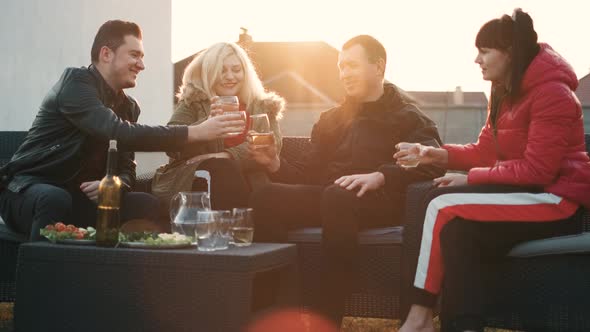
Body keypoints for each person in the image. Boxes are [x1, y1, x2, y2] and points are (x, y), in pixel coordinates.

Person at [396, 9, 590, 332]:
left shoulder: (552, 94)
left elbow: (538, 171)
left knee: (440, 203)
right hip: (525, 195)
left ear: (510, 53)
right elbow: (484, 151)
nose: (477, 60)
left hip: (557, 200)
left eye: (484, 51)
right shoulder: (502, 92)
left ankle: (418, 317)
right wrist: (433, 154)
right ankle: (463, 326)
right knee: (457, 233)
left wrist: (469, 177)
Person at [248, 35, 444, 324]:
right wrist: (275, 163)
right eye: (341, 67)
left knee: (336, 196)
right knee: (266, 196)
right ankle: (267, 311)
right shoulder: (332, 119)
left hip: (381, 203)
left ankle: (327, 319)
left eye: (351, 65)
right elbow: (308, 173)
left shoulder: (409, 117)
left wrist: (382, 175)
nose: (344, 74)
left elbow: (432, 162)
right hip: (331, 197)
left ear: (378, 67)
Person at [0, 20, 244, 241]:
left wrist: (115, 183)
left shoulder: (128, 106)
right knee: (54, 198)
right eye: (135, 55)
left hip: (81, 200)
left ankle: (126, 278)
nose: (142, 65)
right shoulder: (75, 83)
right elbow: (117, 131)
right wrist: (197, 132)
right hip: (26, 191)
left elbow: (127, 168)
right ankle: (37, 281)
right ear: (106, 54)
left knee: (145, 204)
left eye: (142, 56)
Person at [151, 42, 285, 210]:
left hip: (253, 182)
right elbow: (172, 144)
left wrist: (226, 155)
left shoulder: (263, 106)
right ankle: (232, 228)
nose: (230, 76)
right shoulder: (193, 101)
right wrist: (205, 125)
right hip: (197, 181)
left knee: (232, 170)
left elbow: (272, 145)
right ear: (209, 74)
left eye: (236, 70)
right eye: (221, 70)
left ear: (245, 73)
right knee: (221, 169)